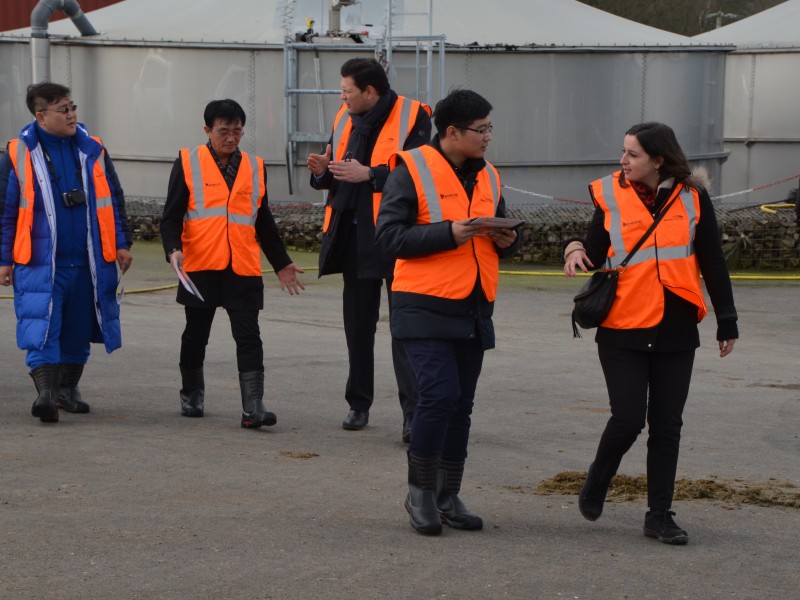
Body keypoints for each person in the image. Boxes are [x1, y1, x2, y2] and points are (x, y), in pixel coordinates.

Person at [563, 122, 739, 545]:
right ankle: (598, 479)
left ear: (658, 160)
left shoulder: (694, 197)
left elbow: (712, 259)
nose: (623, 161)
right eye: (623, 152)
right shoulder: (609, 193)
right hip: (622, 325)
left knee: (667, 425)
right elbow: (593, 248)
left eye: (633, 154)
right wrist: (573, 248)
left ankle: (659, 515)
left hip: (676, 327)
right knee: (627, 420)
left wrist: (727, 319)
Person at [375, 89, 520, 535]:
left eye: (490, 128)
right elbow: (389, 238)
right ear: (452, 132)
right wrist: (448, 234)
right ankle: (419, 493)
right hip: (422, 304)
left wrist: (509, 241)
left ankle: (447, 494)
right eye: (482, 129)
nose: (488, 137)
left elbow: (499, 234)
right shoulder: (410, 168)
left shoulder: (489, 175)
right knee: (438, 395)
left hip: (473, 306)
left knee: (460, 405)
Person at [306, 57, 431, 440]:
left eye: (347, 91)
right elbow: (334, 174)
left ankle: (413, 415)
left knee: (404, 328)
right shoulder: (344, 117)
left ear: (370, 92)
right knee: (358, 327)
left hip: (396, 237)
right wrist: (321, 171)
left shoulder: (415, 116)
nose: (342, 98)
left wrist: (370, 174)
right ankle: (358, 404)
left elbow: (421, 171)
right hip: (352, 235)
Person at [160, 99, 304, 429]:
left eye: (237, 131)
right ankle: (192, 393)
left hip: (242, 267)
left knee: (249, 335)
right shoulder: (188, 162)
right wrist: (173, 250)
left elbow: (263, 221)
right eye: (223, 131)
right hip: (200, 265)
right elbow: (170, 217)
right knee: (196, 334)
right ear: (207, 130)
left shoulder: (255, 166)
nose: (231, 138)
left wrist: (281, 263)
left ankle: (253, 406)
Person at [0, 82, 133, 423]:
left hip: (88, 260)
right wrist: (3, 260)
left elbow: (113, 200)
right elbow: (5, 212)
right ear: (41, 116)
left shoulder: (93, 148)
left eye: (73, 107)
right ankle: (45, 393)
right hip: (40, 263)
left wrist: (121, 243)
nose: (72, 114)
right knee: (43, 325)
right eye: (63, 109)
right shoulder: (18, 154)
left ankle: (67, 390)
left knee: (78, 328)